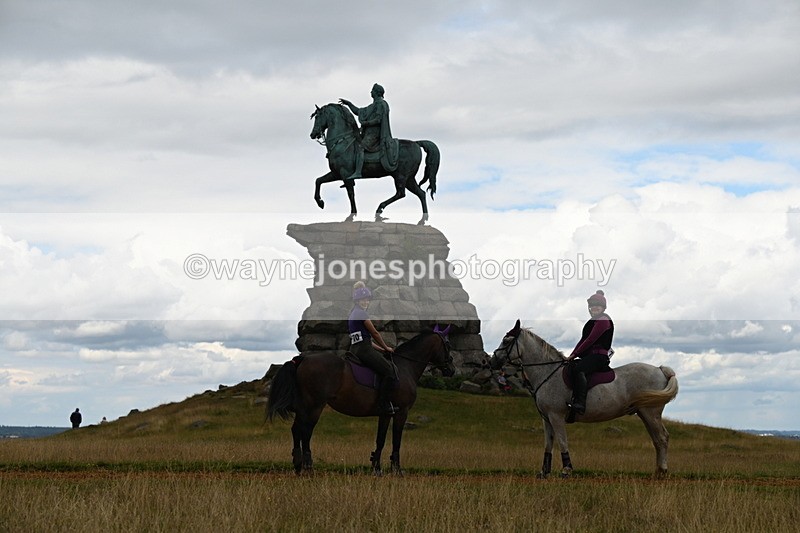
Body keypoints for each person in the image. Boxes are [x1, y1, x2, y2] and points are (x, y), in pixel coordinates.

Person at [348, 280, 397, 414]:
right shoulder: (362, 314)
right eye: (362, 300)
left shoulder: (352, 314)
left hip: (355, 349)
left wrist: (381, 350)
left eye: (367, 300)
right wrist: (386, 347)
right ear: (357, 301)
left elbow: (365, 339)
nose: (365, 302)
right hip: (364, 350)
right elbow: (374, 333)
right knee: (389, 370)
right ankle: (383, 404)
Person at [566, 290, 614, 416]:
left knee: (579, 370)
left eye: (597, 305)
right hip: (590, 356)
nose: (594, 308)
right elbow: (582, 340)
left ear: (603, 307)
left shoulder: (603, 320)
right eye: (592, 306)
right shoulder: (592, 322)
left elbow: (590, 339)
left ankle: (580, 403)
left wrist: (575, 354)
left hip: (599, 356)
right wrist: (571, 356)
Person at [338, 83, 397, 180]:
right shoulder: (372, 106)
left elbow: (378, 120)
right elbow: (358, 111)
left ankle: (358, 172)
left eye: (372, 91)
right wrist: (349, 104)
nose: (371, 92)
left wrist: (366, 123)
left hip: (375, 134)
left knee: (360, 147)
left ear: (377, 93)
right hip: (368, 133)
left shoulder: (381, 104)